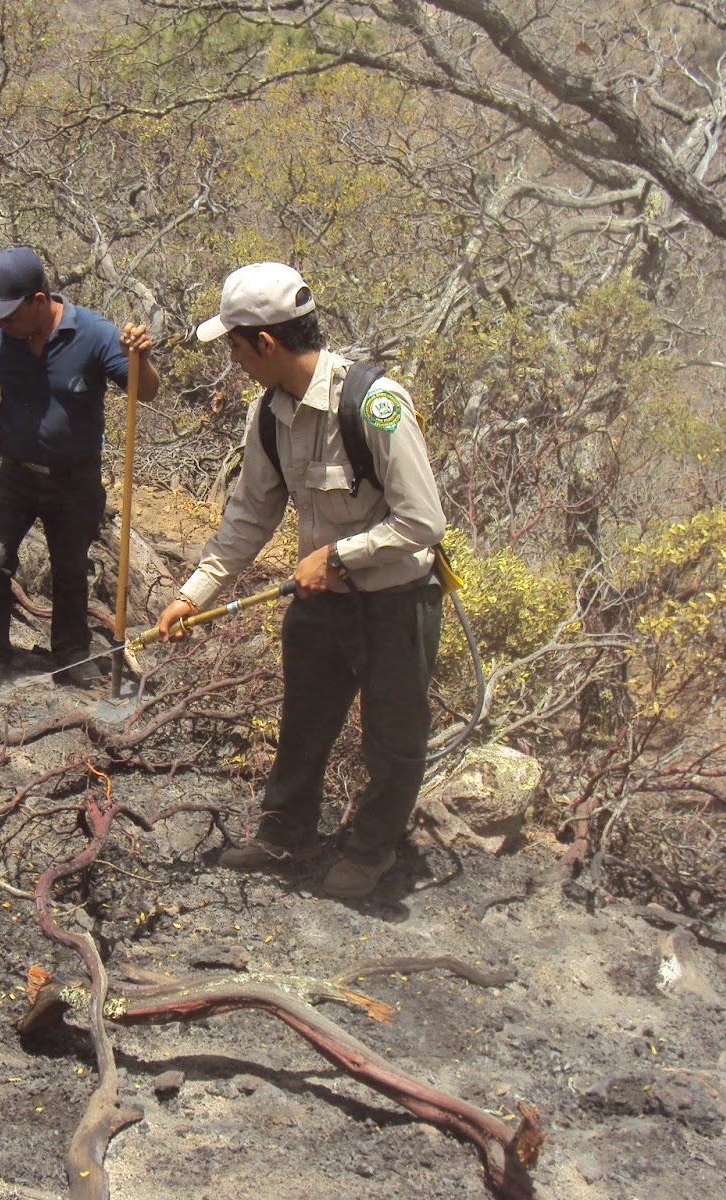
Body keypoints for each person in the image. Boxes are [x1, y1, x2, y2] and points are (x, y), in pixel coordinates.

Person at [156, 262, 445, 900]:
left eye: (233, 345)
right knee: (305, 720)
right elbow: (248, 517)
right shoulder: (269, 414)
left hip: (396, 601)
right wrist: (190, 595)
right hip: (321, 602)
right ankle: (286, 833)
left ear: (266, 342)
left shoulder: (375, 403)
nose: (231, 359)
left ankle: (371, 851)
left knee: (394, 736)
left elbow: (423, 521)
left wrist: (340, 556)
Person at [0, 247, 159, 686]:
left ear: (38, 301)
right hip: (12, 472)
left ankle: (72, 657)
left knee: (70, 570)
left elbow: (146, 392)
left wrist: (140, 358)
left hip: (74, 480)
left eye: (8, 313)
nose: (1, 324)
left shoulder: (96, 334)